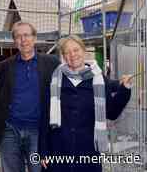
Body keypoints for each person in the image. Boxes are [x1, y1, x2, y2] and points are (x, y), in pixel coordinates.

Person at [42, 35, 132, 172]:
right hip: (58, 150)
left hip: (88, 150)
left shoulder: (99, 80)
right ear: (64, 56)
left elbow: (112, 112)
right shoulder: (55, 80)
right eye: (67, 52)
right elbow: (45, 118)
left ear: (84, 51)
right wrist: (43, 151)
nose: (72, 55)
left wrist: (125, 90)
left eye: (76, 50)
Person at [0, 21, 60, 172]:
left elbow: (73, 76)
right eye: (18, 36)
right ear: (14, 41)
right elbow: (1, 99)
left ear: (34, 38)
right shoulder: (5, 66)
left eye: (27, 35)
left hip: (38, 130)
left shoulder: (52, 63)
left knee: (38, 169)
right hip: (9, 130)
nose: (23, 40)